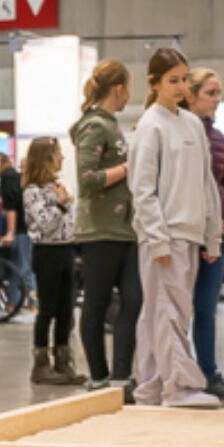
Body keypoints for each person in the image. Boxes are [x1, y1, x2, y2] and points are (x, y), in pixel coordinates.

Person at [128, 48, 224, 408]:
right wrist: (157, 238)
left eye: (185, 79)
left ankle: (151, 388)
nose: (181, 86)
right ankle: (179, 387)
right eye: (173, 80)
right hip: (163, 236)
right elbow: (142, 188)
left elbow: (206, 183)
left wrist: (212, 233)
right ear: (153, 83)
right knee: (168, 311)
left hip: (191, 231)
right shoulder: (149, 126)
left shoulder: (192, 124)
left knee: (161, 312)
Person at [72, 60, 140, 395]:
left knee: (133, 300)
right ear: (119, 89)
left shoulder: (111, 125)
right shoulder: (94, 126)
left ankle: (122, 375)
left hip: (125, 229)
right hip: (99, 230)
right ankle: (99, 377)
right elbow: (86, 181)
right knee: (97, 304)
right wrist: (128, 167)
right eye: (128, 87)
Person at [185, 67, 224, 399]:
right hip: (184, 235)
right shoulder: (175, 133)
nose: (217, 99)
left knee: (206, 309)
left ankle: (209, 373)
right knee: (176, 311)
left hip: (216, 238)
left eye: (219, 92)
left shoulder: (220, 139)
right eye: (211, 93)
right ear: (191, 95)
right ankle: (177, 372)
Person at [21, 137, 83, 385]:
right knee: (47, 309)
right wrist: (61, 205)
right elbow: (46, 224)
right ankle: (41, 364)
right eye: (58, 154)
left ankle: (63, 360)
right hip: (47, 253)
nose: (62, 158)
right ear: (46, 158)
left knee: (66, 310)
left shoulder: (57, 186)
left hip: (65, 250)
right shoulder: (32, 191)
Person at [0, 152, 35, 305]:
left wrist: (10, 232)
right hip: (23, 229)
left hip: (20, 230)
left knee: (22, 269)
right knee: (19, 268)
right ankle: (15, 304)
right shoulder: (13, 177)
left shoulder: (7, 177)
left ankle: (30, 305)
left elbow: (11, 207)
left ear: (5, 162)